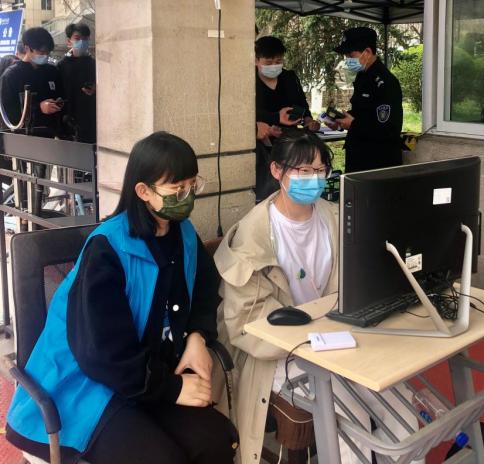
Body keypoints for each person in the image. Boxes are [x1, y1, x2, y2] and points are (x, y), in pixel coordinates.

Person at [6, 132, 237, 464]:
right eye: (177, 189)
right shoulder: (108, 249)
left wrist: (197, 336)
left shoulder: (183, 233)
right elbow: (101, 352)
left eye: (192, 185)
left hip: (148, 375)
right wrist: (172, 389)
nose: (187, 196)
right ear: (143, 191)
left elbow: (204, 288)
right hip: (86, 386)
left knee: (217, 440)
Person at [213, 130, 420, 463]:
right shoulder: (251, 238)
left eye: (320, 170)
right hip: (283, 353)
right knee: (350, 410)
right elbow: (246, 325)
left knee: (399, 402)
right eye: (303, 171)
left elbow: (362, 279)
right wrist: (315, 340)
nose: (313, 179)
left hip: (342, 339)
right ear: (276, 170)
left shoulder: (335, 218)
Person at [254, 36, 321, 202]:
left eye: (278, 61)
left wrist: (308, 120)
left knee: (293, 191)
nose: (274, 66)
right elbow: (246, 113)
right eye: (268, 62)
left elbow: (301, 104)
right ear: (256, 60)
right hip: (262, 148)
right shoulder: (249, 81)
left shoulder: (289, 78)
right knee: (268, 194)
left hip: (290, 146)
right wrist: (274, 120)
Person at [329, 27, 403, 173]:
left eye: (350, 55)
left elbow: (389, 129)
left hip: (377, 163)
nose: (347, 61)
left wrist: (353, 125)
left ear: (367, 52)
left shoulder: (385, 82)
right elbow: (364, 112)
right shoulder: (363, 76)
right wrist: (341, 120)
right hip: (359, 157)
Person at [0, 27, 63, 137]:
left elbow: (61, 94)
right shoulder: (11, 75)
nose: (45, 56)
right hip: (23, 137)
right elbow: (8, 113)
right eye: (41, 52)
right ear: (27, 48)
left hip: (50, 135)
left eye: (48, 52)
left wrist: (59, 102)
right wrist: (39, 108)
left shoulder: (52, 71)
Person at [57, 22, 96, 143]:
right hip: (68, 119)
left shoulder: (95, 64)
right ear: (69, 41)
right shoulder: (61, 65)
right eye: (77, 38)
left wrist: (95, 90)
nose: (82, 42)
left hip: (91, 118)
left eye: (85, 39)